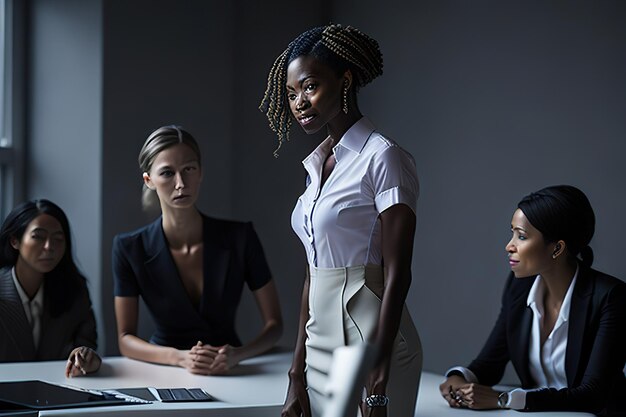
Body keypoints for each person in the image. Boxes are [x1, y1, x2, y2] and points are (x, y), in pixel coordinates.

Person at [260, 24, 422, 417]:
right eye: (292, 93)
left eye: (310, 87)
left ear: (344, 80)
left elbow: (398, 271)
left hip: (372, 336)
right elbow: (311, 275)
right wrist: (295, 374)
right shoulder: (317, 166)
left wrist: (379, 377)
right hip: (318, 339)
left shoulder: (383, 157)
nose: (299, 102)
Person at [439, 185, 626, 416]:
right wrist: (457, 378)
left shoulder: (611, 297)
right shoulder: (519, 287)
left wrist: (505, 399)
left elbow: (592, 395)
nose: (509, 246)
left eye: (522, 236)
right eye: (512, 233)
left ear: (557, 248)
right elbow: (490, 363)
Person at [113, 125, 283, 375]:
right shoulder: (129, 248)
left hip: (230, 369)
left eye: (189, 169)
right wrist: (179, 358)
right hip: (163, 372)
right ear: (149, 181)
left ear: (200, 172)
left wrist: (238, 354)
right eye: (167, 173)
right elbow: (125, 338)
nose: (181, 183)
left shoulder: (240, 237)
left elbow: (275, 325)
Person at [0, 199, 101, 377]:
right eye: (38, 236)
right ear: (15, 241)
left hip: (57, 393)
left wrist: (86, 358)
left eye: (58, 239)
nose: (49, 247)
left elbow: (87, 342)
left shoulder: (74, 289)